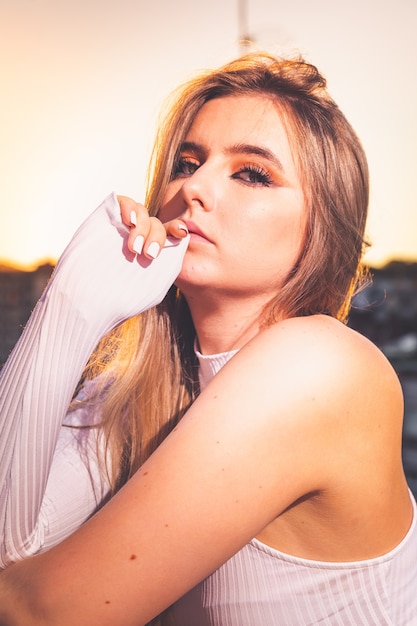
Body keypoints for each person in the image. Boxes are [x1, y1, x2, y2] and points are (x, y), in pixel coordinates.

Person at [0, 51, 416, 626]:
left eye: (252, 173)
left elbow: (37, 611)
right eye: (187, 162)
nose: (194, 186)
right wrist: (70, 307)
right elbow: (10, 560)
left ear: (320, 232)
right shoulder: (140, 395)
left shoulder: (322, 365)